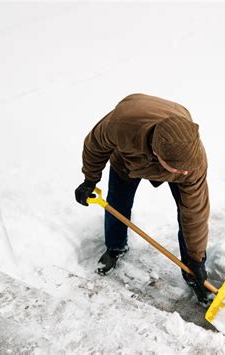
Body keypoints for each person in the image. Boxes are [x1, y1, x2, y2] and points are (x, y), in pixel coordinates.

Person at [75, 93, 210, 303]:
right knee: (117, 203)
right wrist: (90, 180)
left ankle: (191, 270)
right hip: (127, 161)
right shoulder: (121, 125)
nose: (184, 173)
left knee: (188, 214)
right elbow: (94, 146)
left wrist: (197, 259)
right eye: (178, 169)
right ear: (157, 153)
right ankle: (115, 247)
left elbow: (195, 214)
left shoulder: (192, 165)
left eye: (186, 169)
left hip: (173, 148)